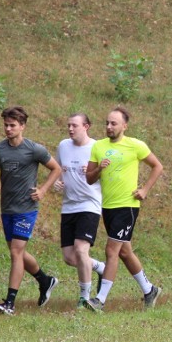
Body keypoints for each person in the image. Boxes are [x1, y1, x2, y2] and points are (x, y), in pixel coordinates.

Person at [83, 106, 164, 312]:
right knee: (125, 252)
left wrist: (145, 189)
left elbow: (157, 166)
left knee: (111, 250)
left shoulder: (135, 145)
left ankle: (100, 300)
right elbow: (89, 179)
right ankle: (149, 290)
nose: (109, 127)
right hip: (107, 206)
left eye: (114, 123)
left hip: (127, 206)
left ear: (124, 126)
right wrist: (99, 168)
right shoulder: (98, 147)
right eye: (107, 123)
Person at [0, 106, 62, 315]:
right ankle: (45, 280)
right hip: (7, 208)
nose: (8, 129)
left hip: (26, 208)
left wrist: (43, 190)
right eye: (6, 125)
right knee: (18, 252)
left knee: (15, 252)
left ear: (22, 126)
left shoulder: (34, 149)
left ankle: (9, 303)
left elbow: (56, 168)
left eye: (12, 125)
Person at [54, 113, 107, 308]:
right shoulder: (63, 146)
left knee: (81, 249)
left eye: (74, 125)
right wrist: (57, 183)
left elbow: (109, 174)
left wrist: (94, 172)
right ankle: (100, 267)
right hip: (69, 206)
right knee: (69, 257)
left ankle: (84, 297)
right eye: (68, 125)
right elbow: (58, 169)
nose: (70, 129)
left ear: (86, 126)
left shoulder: (97, 147)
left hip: (90, 204)